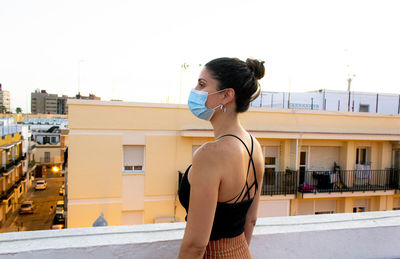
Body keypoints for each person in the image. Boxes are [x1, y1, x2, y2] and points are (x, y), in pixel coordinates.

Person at [178, 57, 265, 258]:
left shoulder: (210, 155)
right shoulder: (255, 146)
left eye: (202, 84)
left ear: (226, 95)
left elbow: (196, 245)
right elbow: (250, 220)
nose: (195, 90)